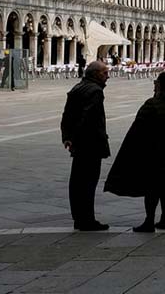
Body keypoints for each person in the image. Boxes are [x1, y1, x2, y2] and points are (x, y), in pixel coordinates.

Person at [105, 72, 165, 233]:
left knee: (152, 188)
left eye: (156, 82)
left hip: (154, 153)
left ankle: (149, 220)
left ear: (161, 86)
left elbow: (138, 129)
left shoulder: (152, 104)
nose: (154, 84)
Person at [60, 61, 111, 231]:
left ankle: (79, 218)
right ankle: (87, 220)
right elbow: (89, 118)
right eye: (105, 73)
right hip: (91, 145)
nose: (108, 76)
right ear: (96, 74)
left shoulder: (77, 87)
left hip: (79, 144)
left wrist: (67, 137)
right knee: (88, 183)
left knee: (77, 183)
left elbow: (67, 115)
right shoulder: (95, 91)